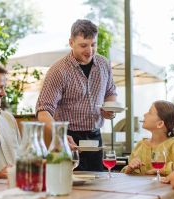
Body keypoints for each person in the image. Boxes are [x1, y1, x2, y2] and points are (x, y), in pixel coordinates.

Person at [36, 19, 117, 171]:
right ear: (71, 42)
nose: (90, 50)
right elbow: (43, 111)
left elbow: (111, 92)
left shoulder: (104, 64)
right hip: (68, 139)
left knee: (98, 187)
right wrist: (59, 135)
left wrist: (110, 108)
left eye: (93, 44)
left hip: (95, 138)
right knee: (69, 188)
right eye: (83, 45)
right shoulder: (58, 70)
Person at [122, 100, 174, 176]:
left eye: (150, 112)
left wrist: (160, 170)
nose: (144, 114)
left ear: (160, 124)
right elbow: (125, 173)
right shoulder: (140, 145)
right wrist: (129, 169)